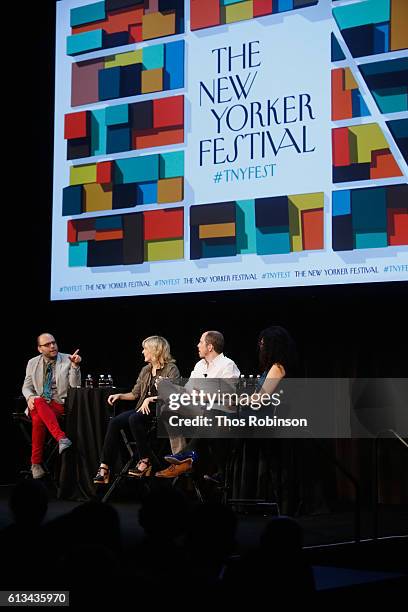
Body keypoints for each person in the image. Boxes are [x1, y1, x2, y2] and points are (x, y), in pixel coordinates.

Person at [93, 335, 180, 484]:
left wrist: (150, 399)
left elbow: (174, 395)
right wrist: (120, 395)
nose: (142, 352)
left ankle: (145, 461)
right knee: (115, 422)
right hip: (142, 409)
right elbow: (135, 394)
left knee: (134, 418)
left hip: (161, 410)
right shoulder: (146, 370)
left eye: (145, 349)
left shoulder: (171, 369)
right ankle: (104, 468)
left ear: (155, 350)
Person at [155, 330, 240, 478]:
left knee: (169, 406)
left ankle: (182, 460)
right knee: (166, 404)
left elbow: (230, 397)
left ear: (210, 347)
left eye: (201, 342)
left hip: (216, 412)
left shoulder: (228, 365)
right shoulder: (200, 365)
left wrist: (204, 396)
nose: (197, 345)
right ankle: (181, 460)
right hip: (195, 407)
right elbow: (188, 390)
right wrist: (167, 387)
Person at [22, 333, 82, 479]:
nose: (52, 346)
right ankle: (61, 438)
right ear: (39, 349)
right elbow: (26, 387)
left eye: (54, 343)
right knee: (38, 403)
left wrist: (75, 366)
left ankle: (35, 463)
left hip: (58, 405)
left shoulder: (68, 359)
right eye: (47, 344)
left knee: (37, 418)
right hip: (40, 402)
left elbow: (75, 386)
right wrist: (30, 396)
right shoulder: (32, 363)